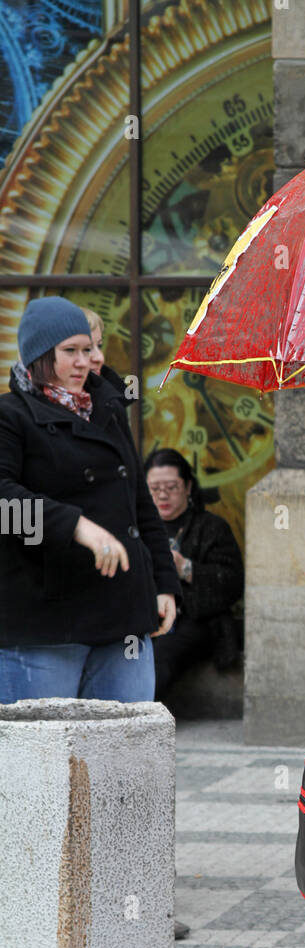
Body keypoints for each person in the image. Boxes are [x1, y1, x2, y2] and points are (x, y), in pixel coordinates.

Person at [0, 296, 179, 702]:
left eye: (89, 349)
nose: (85, 362)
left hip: (123, 621)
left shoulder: (109, 409)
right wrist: (77, 526)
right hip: (45, 628)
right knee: (42, 762)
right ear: (40, 355)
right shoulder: (11, 415)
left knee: (126, 757)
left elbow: (140, 504)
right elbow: (4, 506)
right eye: (70, 352)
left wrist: (164, 585)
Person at [144, 448, 244, 699]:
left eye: (171, 487)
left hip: (196, 620)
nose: (163, 495)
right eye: (154, 488)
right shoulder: (136, 527)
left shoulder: (211, 527)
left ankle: (141, 722)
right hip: (144, 618)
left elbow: (232, 584)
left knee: (160, 656)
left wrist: (185, 568)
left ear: (188, 487)